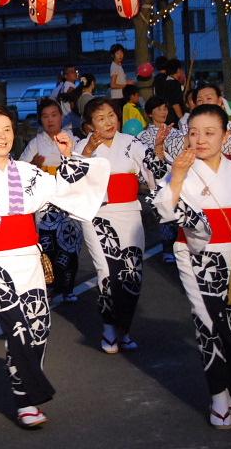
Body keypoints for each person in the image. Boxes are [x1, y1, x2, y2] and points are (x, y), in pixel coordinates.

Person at [0, 105, 109, 428]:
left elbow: (66, 190)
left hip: (27, 255)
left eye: (7, 129)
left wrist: (69, 158)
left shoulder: (28, 172)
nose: (2, 136)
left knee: (38, 326)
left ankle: (24, 390)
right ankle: (27, 398)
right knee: (16, 325)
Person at [152, 104, 231, 429]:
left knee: (229, 326)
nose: (200, 139)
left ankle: (228, 389)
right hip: (196, 256)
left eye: (209, 132)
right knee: (206, 323)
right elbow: (161, 209)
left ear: (225, 136)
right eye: (194, 132)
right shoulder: (181, 168)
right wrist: (180, 176)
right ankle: (218, 398)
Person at [77, 98, 170, 354]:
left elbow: (157, 171)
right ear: (89, 125)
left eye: (111, 115)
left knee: (132, 275)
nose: (108, 121)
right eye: (100, 118)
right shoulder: (83, 147)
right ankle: (109, 327)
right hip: (97, 216)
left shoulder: (132, 144)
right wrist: (86, 154)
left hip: (129, 213)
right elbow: (71, 179)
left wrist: (159, 149)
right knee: (106, 273)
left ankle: (125, 329)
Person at [19, 99, 85, 303]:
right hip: (45, 203)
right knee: (47, 247)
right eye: (45, 116)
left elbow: (83, 167)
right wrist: (33, 165)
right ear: (40, 119)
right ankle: (49, 284)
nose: (50, 120)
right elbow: (21, 171)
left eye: (54, 115)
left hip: (68, 200)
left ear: (61, 117)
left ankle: (68, 288)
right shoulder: (35, 143)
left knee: (70, 244)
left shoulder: (72, 138)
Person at [137, 96, 182, 263]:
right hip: (159, 181)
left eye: (165, 108)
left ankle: (181, 247)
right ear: (150, 113)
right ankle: (168, 247)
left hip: (178, 178)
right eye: (159, 109)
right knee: (166, 216)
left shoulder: (176, 132)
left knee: (181, 214)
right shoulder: (143, 135)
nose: (163, 112)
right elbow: (145, 160)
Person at [194, 83, 231, 159]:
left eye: (209, 98)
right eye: (199, 100)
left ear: (219, 101)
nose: (204, 103)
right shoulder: (187, 129)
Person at [156, 59, 184, 126]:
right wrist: (183, 120)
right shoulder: (175, 84)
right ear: (178, 70)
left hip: (162, 116)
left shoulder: (161, 82)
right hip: (173, 119)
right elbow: (175, 104)